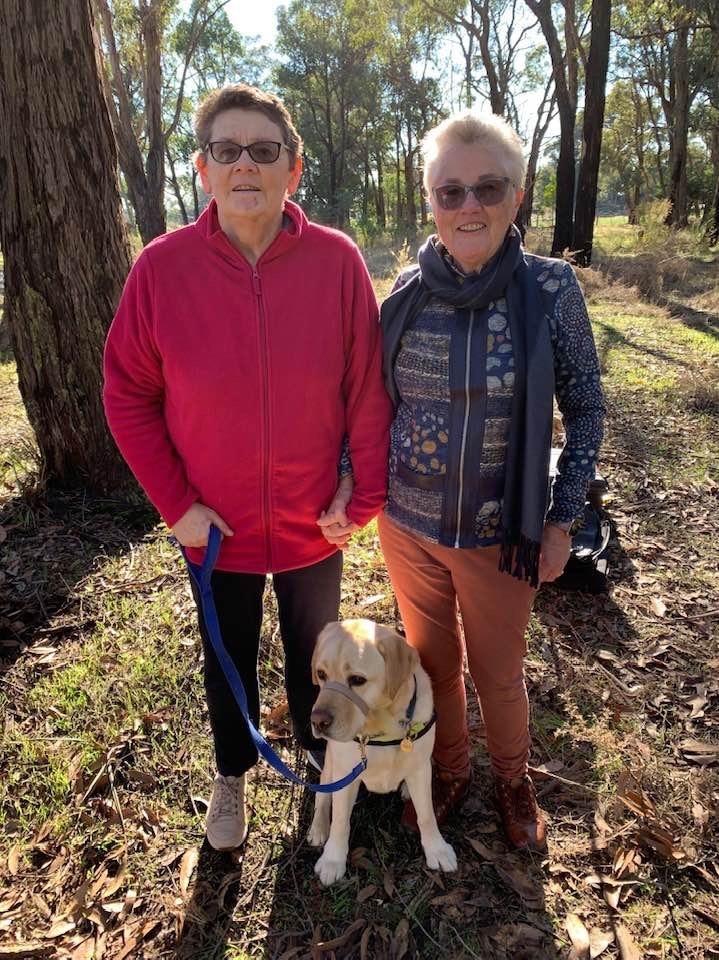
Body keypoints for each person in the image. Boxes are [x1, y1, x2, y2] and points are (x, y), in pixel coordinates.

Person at [103, 84, 392, 852]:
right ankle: (230, 777)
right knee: (224, 654)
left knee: (318, 662)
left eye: (264, 152)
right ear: (202, 170)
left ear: (292, 171)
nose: (245, 166)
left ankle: (313, 764)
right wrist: (176, 506)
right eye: (226, 151)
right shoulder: (161, 269)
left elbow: (365, 386)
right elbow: (126, 393)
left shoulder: (336, 261)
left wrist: (359, 494)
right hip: (214, 526)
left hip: (311, 521)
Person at [376, 111, 605, 849]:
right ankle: (449, 771)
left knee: (498, 677)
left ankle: (510, 779)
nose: (467, 205)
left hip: (498, 535)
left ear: (516, 194)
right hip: (407, 525)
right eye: (450, 191)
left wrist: (562, 518)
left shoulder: (549, 289)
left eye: (487, 187)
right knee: (435, 666)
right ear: (430, 200)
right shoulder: (404, 292)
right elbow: (369, 403)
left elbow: (586, 407)